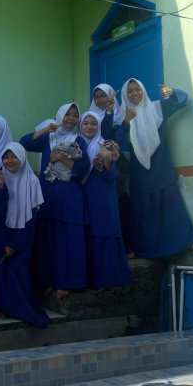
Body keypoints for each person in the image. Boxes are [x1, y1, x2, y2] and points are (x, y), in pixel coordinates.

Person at [121, 78, 193, 258]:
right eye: (130, 91)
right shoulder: (123, 114)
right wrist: (126, 121)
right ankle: (141, 247)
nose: (135, 93)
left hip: (161, 163)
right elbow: (118, 138)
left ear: (143, 90)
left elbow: (182, 100)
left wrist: (172, 92)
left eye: (137, 89)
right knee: (142, 210)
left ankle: (187, 241)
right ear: (125, 95)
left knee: (171, 205)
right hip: (139, 169)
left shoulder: (157, 108)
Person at [20, 103, 90, 300]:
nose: (71, 118)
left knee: (68, 241)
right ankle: (48, 280)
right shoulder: (48, 139)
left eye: (75, 115)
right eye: (67, 114)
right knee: (49, 241)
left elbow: (83, 169)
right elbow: (24, 143)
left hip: (69, 198)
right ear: (60, 116)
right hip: (49, 197)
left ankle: (66, 282)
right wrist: (46, 129)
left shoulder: (78, 140)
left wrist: (60, 158)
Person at [0, 143, 49, 327]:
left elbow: (32, 217)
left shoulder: (32, 181)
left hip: (23, 233)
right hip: (0, 232)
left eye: (14, 156)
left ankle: (21, 307)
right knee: (0, 270)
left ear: (22, 158)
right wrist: (0, 186)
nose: (10, 161)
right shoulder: (0, 177)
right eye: (6, 157)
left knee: (16, 269)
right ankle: (3, 306)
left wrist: (15, 243)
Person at [79, 112, 132, 289]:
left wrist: (107, 159)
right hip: (84, 195)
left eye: (94, 123)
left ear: (99, 126)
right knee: (88, 233)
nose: (89, 127)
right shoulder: (76, 146)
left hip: (103, 195)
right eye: (85, 123)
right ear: (80, 126)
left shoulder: (107, 144)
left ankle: (106, 279)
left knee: (103, 230)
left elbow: (113, 176)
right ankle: (91, 278)